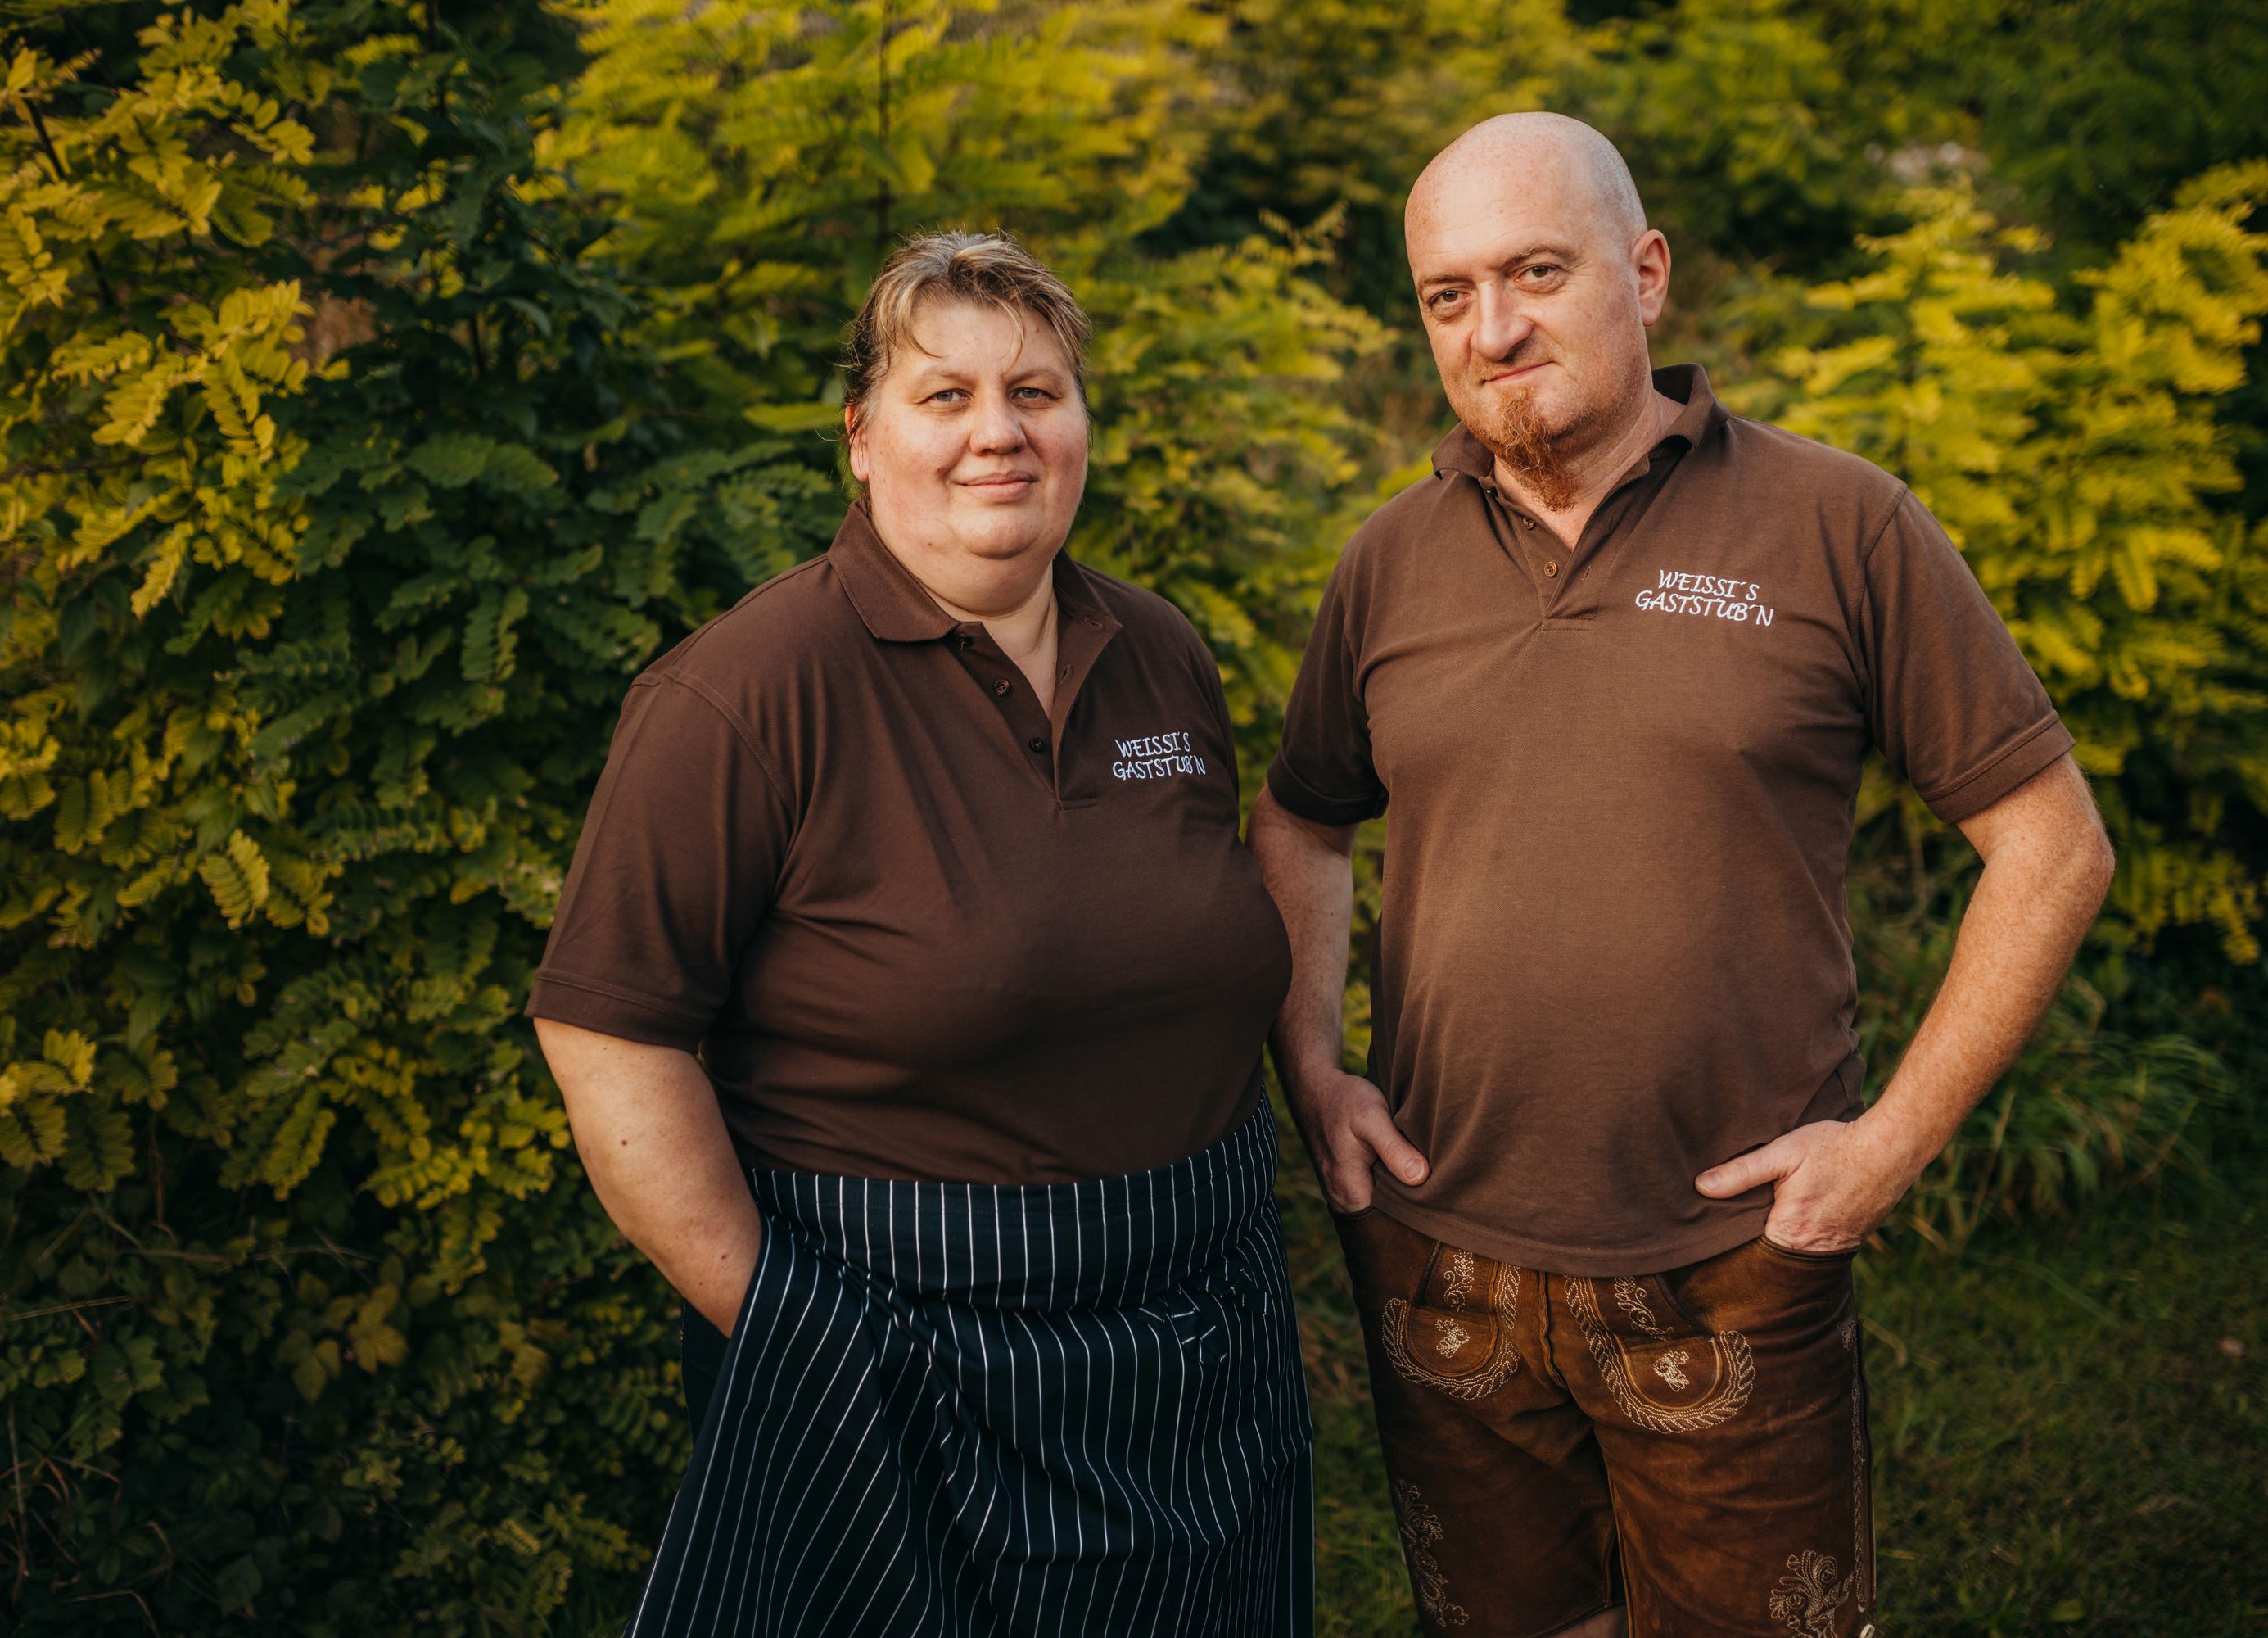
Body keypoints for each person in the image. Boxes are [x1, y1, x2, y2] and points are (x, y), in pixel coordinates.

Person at [1249, 114, 2112, 1638]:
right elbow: (1306, 821)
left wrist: (1889, 1145)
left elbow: (2051, 848)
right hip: (1443, 1254)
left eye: (1534, 272)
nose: (1493, 328)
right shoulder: (1388, 561)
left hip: (1735, 1261)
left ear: (1645, 274)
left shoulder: (1840, 523)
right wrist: (1314, 1068)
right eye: (1448, 295)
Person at [527, 230, 1313, 1638]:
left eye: (1038, 392)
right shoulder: (742, 696)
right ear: (860, 436)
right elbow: (608, 1031)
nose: (996, 434)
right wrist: (791, 1333)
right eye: (943, 396)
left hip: (1199, 1343)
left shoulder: (1162, 651)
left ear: (1082, 425)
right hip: (895, 1346)